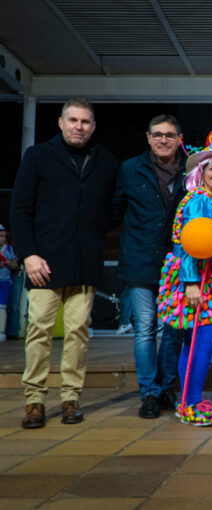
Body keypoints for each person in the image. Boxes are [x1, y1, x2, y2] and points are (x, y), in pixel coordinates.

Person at [10, 98, 118, 428]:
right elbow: (19, 209)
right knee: (39, 332)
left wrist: (95, 233)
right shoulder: (39, 156)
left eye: (85, 121)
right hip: (43, 262)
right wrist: (28, 255)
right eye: (73, 120)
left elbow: (113, 207)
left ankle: (71, 399)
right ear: (60, 122)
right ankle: (35, 402)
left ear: (93, 126)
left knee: (78, 334)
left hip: (84, 262)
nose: (79, 126)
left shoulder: (106, 161)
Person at [110, 115, 187, 419]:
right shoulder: (130, 169)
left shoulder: (192, 171)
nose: (163, 140)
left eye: (169, 135)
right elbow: (115, 211)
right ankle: (149, 394)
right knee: (144, 329)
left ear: (179, 139)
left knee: (173, 330)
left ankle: (168, 387)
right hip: (140, 260)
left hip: (177, 262)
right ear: (148, 137)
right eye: (157, 135)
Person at [155, 146, 212, 426]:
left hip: (210, 278)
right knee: (201, 341)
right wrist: (191, 282)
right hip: (194, 279)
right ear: (200, 173)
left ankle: (191, 398)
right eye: (211, 167)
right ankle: (190, 403)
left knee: (196, 342)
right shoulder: (199, 199)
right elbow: (190, 242)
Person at [0, 224, 20, 341]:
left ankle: (2, 331)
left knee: (2, 307)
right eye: (0, 236)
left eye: (4, 236)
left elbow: (15, 265)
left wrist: (9, 263)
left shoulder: (9, 249)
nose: (3, 238)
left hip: (5, 282)